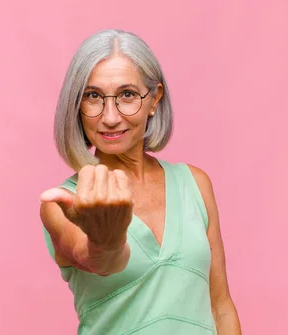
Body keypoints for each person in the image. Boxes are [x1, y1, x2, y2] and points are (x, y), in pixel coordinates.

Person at [40, 29, 242, 334]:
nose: (110, 117)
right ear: (76, 106)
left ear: (154, 99)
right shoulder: (63, 203)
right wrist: (105, 240)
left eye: (127, 95)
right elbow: (99, 260)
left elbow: (221, 305)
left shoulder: (195, 184)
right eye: (93, 96)